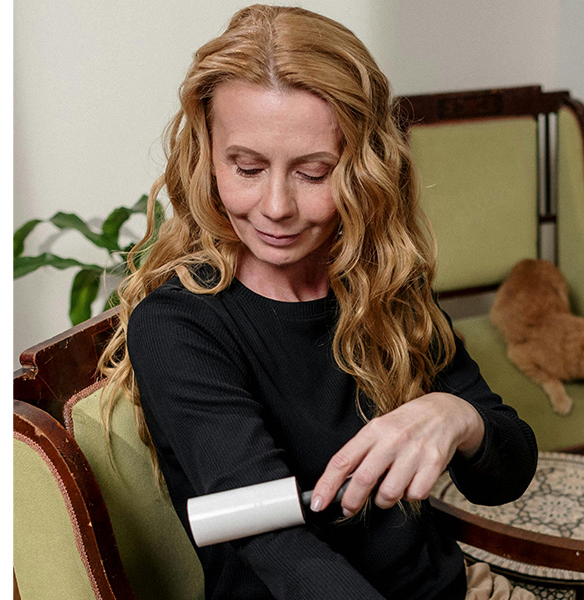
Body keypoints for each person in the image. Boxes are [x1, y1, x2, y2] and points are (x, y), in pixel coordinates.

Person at [100, 5, 538, 599]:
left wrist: (457, 416)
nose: (276, 206)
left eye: (313, 173)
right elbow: (279, 551)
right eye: (247, 167)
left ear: (364, 168)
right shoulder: (179, 326)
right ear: (207, 157)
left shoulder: (382, 283)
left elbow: (506, 476)